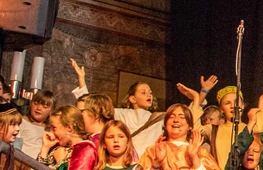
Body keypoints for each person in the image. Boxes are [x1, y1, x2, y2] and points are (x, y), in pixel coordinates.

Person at [70, 59, 215, 157]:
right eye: (143, 92)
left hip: (150, 160)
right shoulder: (122, 114)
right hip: (126, 159)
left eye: (150, 93)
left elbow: (187, 114)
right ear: (132, 98)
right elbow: (94, 107)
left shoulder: (157, 117)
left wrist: (202, 93)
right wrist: (82, 80)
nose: (149, 95)